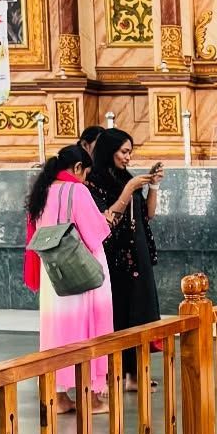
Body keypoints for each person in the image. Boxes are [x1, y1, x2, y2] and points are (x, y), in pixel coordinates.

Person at [25, 143, 136, 414]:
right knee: (87, 331)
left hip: (53, 273)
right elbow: (96, 233)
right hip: (82, 271)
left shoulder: (42, 191)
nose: (85, 179)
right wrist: (107, 218)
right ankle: (92, 398)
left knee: (56, 333)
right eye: (85, 173)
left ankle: (59, 397)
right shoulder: (77, 190)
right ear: (77, 168)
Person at [88, 128, 163, 389]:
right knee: (118, 314)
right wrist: (129, 189)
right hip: (115, 256)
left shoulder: (125, 177)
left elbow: (148, 214)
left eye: (130, 152)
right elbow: (106, 219)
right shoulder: (94, 182)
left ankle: (135, 374)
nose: (128, 157)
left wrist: (153, 186)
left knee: (140, 312)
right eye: (123, 152)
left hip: (138, 253)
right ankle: (113, 373)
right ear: (109, 151)